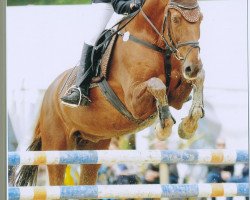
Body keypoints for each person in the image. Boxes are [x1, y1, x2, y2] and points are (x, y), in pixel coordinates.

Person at [61, 0, 142, 107]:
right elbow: (117, 4)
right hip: (106, 4)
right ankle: (81, 89)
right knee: (92, 38)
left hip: (130, 3)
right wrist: (131, 4)